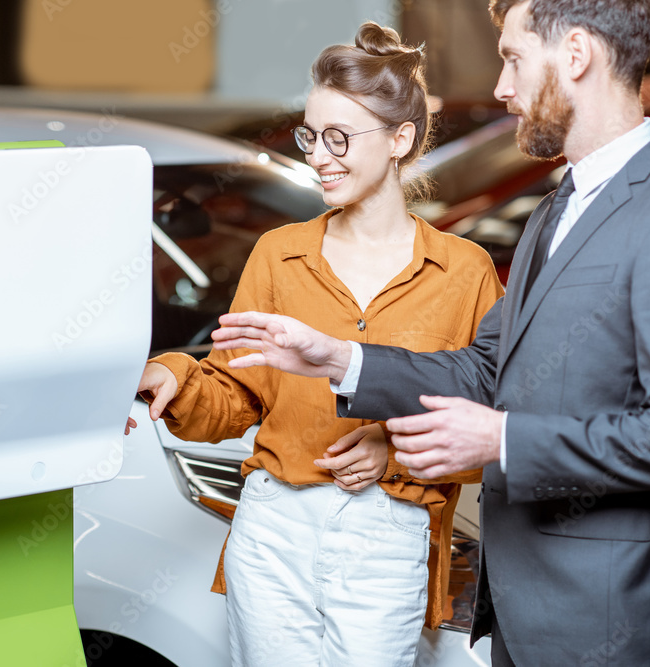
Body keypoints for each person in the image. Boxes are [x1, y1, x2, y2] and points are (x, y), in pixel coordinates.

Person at [209, 1, 650, 665]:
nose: (501, 87)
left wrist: (502, 438)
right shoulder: (559, 208)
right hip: (524, 613)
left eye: (514, 58)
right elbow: (485, 369)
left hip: (607, 623)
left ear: (575, 55)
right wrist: (343, 358)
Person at [128, 21, 503, 666]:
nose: (318, 155)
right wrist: (176, 379)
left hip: (389, 536)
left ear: (400, 140)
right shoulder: (279, 255)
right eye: (310, 135)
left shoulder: (463, 272)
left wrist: (393, 447)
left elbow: (491, 414)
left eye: (339, 137)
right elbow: (236, 392)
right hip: (275, 528)